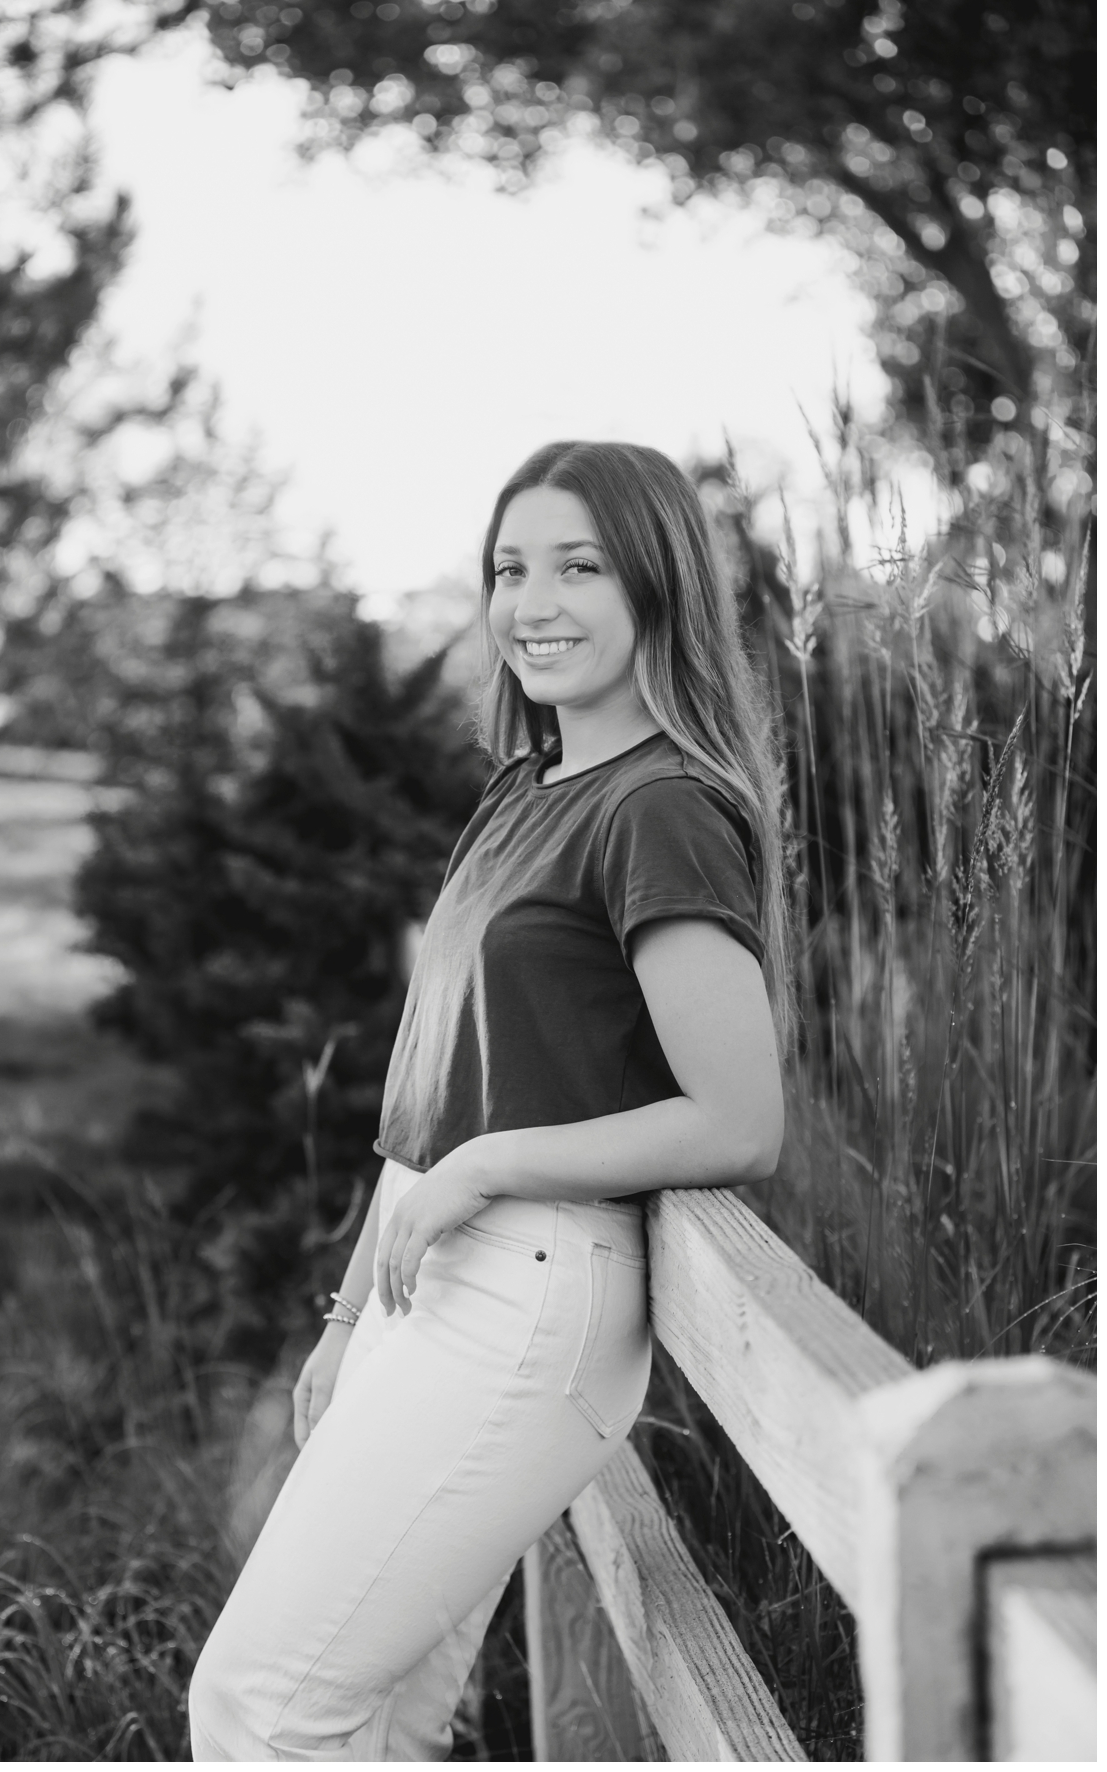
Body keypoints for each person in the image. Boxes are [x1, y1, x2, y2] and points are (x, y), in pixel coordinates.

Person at [188, 441, 793, 1759]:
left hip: (528, 1299)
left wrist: (493, 1164)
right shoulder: (526, 789)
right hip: (433, 1284)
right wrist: (350, 1320)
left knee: (258, 1704)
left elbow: (740, 1117)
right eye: (512, 567)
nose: (535, 601)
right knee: (381, 1717)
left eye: (580, 565)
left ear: (659, 588)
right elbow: (433, 1101)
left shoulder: (662, 812)